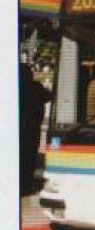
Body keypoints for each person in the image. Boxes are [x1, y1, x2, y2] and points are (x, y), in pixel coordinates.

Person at [20, 63, 52, 196]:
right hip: (32, 129)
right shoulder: (36, 87)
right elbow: (49, 96)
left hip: (22, 129)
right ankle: (26, 186)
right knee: (29, 158)